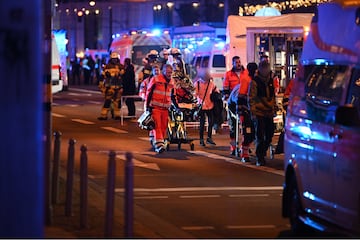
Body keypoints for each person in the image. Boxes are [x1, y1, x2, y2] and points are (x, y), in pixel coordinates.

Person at [249, 60, 276, 166]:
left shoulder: (270, 81)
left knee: (270, 134)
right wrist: (253, 111)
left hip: (268, 111)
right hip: (259, 112)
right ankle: (260, 157)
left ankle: (261, 152)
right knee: (260, 135)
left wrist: (273, 107)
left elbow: (272, 95)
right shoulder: (255, 81)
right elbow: (251, 98)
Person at [145, 64, 175, 153]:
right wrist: (147, 107)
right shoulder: (156, 79)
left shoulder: (172, 82)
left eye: (171, 72)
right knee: (157, 126)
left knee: (163, 126)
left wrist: (176, 106)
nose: (169, 74)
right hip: (155, 107)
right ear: (163, 71)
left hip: (165, 108)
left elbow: (173, 95)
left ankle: (159, 142)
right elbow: (149, 93)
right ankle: (159, 145)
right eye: (168, 72)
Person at [227, 62, 254, 159]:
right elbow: (238, 99)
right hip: (233, 104)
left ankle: (244, 145)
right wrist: (241, 112)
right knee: (235, 126)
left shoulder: (251, 80)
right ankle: (234, 147)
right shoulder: (245, 83)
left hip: (244, 105)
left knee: (249, 128)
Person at [194, 71, 219, 146]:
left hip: (210, 104)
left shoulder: (211, 83)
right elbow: (195, 95)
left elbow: (216, 90)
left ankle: (209, 138)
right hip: (201, 105)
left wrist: (217, 95)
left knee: (210, 122)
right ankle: (201, 139)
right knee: (202, 123)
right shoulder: (197, 84)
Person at [97, 52, 125, 120]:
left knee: (117, 102)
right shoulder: (107, 66)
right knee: (107, 101)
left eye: (115, 59)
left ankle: (117, 115)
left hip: (118, 87)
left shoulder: (121, 66)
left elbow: (123, 76)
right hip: (109, 87)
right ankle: (104, 115)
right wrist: (101, 85)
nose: (114, 60)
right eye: (113, 59)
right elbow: (102, 76)